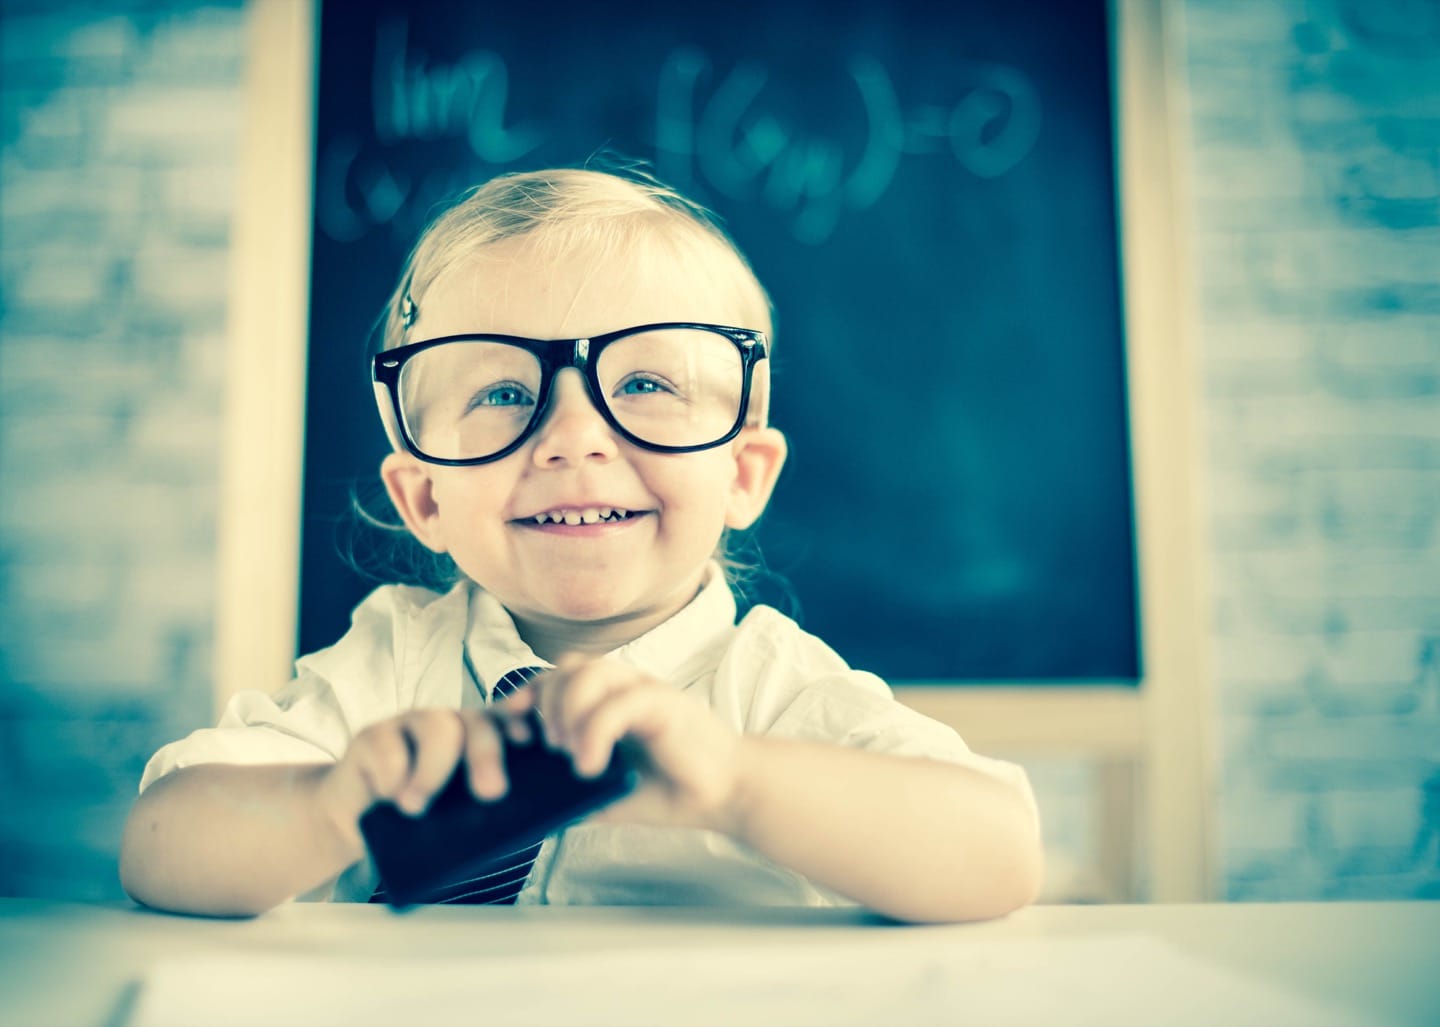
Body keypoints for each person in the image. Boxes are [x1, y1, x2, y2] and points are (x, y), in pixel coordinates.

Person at [120, 165, 1042, 922]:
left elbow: (998, 851)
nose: (573, 434)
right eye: (505, 394)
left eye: (645, 382)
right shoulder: (394, 661)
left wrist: (737, 783)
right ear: (424, 498)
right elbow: (161, 845)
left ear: (744, 476)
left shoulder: (768, 689)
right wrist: (326, 805)